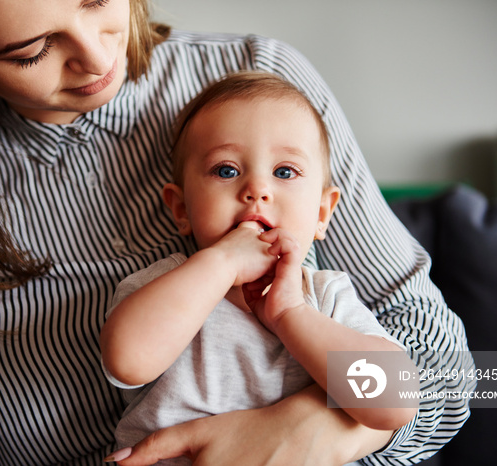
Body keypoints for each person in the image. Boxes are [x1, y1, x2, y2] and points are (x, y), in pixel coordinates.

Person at [0, 1, 472, 465]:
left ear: (324, 208)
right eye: (32, 49)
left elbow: (453, 379)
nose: (98, 54)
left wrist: (308, 433)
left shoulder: (264, 100)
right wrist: (217, 267)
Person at [100, 71, 420, 464]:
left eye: (285, 172)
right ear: (181, 209)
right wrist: (221, 262)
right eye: (226, 170)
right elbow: (127, 361)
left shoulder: (326, 297)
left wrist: (290, 314)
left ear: (322, 213)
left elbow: (395, 402)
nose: (257, 190)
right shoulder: (165, 284)